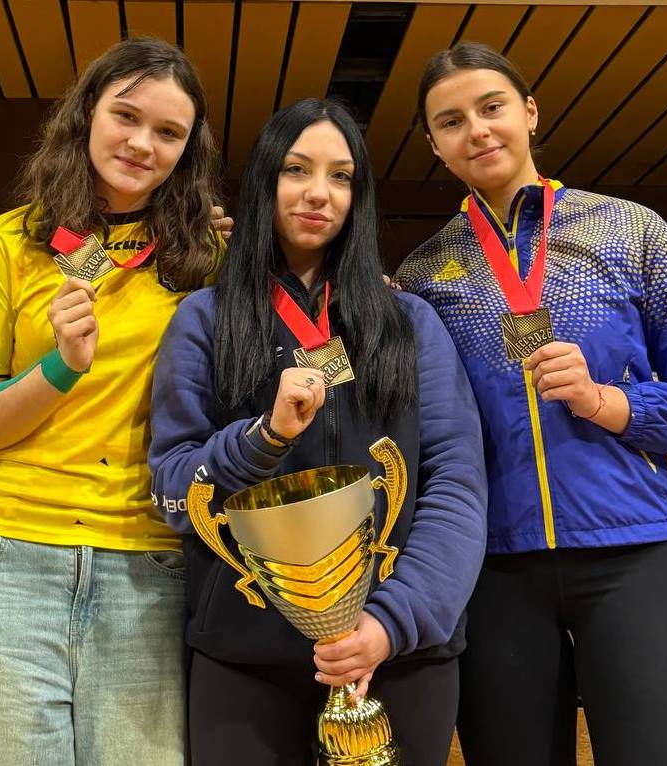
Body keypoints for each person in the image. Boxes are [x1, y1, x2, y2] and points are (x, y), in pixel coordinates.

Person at [148, 98, 487, 766]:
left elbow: (455, 481)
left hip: (399, 655)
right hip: (243, 658)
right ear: (263, 182)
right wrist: (261, 439)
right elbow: (173, 489)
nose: (318, 193)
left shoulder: (409, 322)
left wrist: (392, 622)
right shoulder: (204, 320)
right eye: (296, 170)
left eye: (341, 176)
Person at [395, 41, 667, 766]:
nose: (478, 130)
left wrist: (609, 402)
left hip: (637, 548)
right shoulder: (423, 272)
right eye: (452, 121)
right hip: (491, 566)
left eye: (492, 107)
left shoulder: (631, 229)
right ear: (434, 146)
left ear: (528, 112)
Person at [0, 38, 223, 765]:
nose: (142, 144)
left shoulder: (206, 260)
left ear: (188, 150)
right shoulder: (7, 242)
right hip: (12, 555)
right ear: (86, 115)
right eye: (125, 116)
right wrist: (61, 367)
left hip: (150, 564)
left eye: (168, 132)